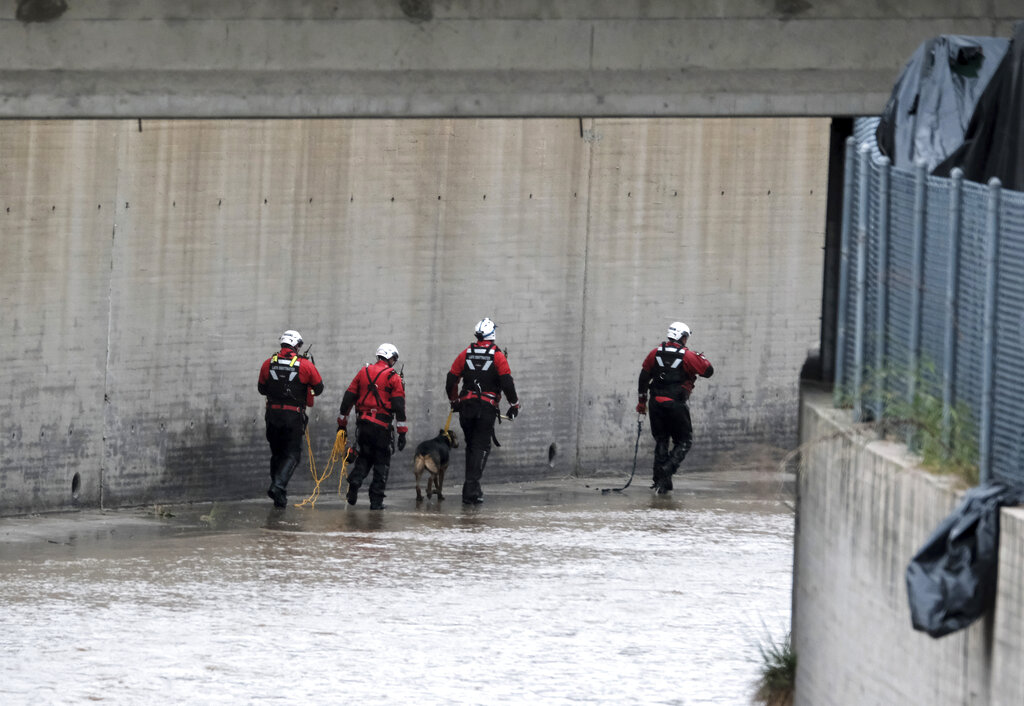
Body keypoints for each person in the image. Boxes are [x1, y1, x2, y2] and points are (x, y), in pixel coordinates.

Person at [446, 317, 521, 505]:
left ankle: (472, 488)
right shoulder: (497, 356)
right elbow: (507, 383)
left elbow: (451, 379)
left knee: (472, 446)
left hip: (466, 408)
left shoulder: (465, 354)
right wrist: (514, 405)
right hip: (485, 410)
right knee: (481, 447)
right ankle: (470, 491)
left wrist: (454, 401)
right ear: (492, 335)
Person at [636, 321, 714, 494]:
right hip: (676, 404)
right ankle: (667, 470)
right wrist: (701, 358)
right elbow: (708, 371)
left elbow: (643, 378)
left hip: (655, 403)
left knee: (662, 440)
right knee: (684, 441)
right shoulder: (688, 356)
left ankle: (660, 482)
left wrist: (642, 402)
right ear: (683, 337)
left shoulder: (654, 353)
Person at [257, 329, 324, 508]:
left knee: (277, 454)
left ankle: (279, 497)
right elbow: (319, 388)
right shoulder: (305, 365)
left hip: (272, 415)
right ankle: (278, 486)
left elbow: (261, 389)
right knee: (293, 454)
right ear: (296, 345)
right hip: (292, 416)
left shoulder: (268, 363)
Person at [337, 343, 408, 510]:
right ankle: (376, 502)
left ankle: (355, 481)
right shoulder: (394, 377)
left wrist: (342, 424)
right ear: (390, 358)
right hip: (382, 427)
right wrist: (402, 432)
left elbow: (348, 398)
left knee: (365, 456)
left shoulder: (363, 372)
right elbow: (399, 406)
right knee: (381, 463)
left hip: (363, 425)